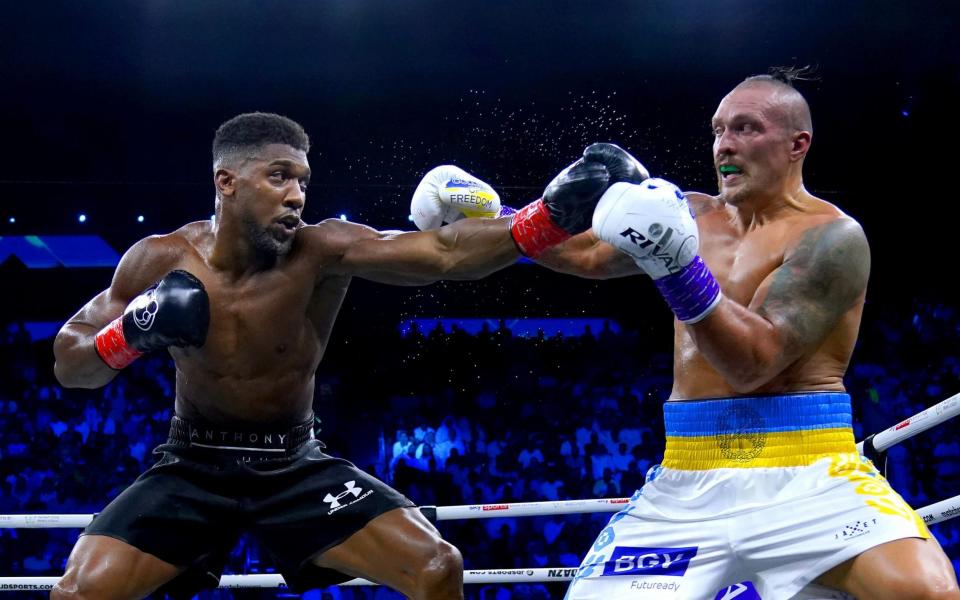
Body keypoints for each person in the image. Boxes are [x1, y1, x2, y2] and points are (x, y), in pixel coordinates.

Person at [50, 112, 644, 599]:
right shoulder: (161, 258)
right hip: (191, 465)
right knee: (78, 593)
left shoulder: (321, 248)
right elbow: (69, 363)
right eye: (279, 177)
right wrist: (126, 336)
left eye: (302, 181)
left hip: (294, 464)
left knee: (437, 566)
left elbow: (441, 250)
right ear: (226, 182)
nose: (295, 196)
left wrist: (546, 219)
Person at [418, 72, 959, 599]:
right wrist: (501, 213)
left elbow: (754, 363)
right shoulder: (690, 214)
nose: (726, 144)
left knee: (927, 591)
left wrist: (677, 269)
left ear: (798, 144)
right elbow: (583, 254)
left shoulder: (833, 236)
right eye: (719, 129)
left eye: (746, 128)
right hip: (688, 473)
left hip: (811, 471)